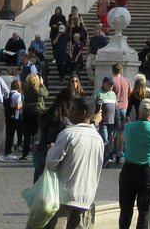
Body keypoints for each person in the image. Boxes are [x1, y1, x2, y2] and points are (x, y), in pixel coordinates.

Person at [46, 96, 104, 229]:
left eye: (73, 109)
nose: (69, 112)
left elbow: (51, 162)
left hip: (64, 198)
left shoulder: (68, 134)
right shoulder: (98, 138)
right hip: (86, 197)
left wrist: (51, 150)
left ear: (83, 113)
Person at [119, 97, 150, 229]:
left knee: (125, 211)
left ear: (139, 111)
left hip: (128, 170)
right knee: (144, 212)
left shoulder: (129, 127)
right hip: (148, 173)